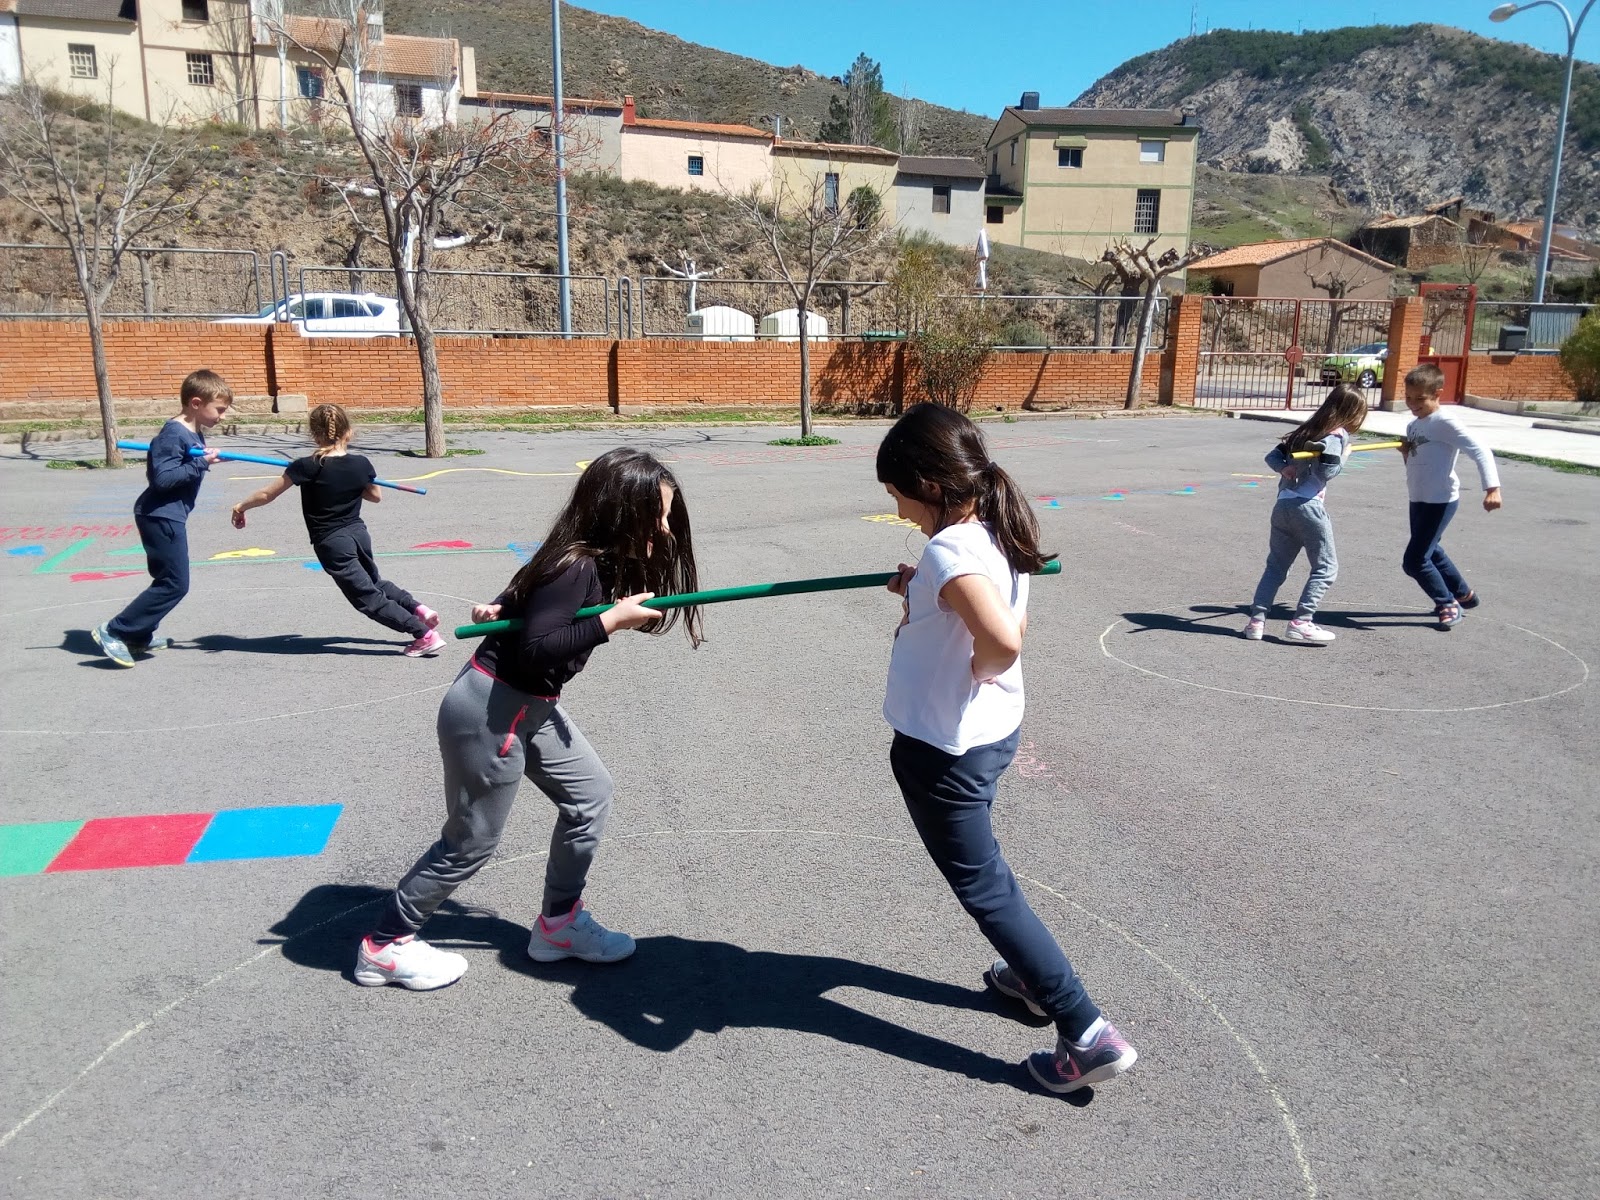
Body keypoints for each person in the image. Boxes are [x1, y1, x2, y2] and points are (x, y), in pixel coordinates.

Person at [354, 448, 703, 990]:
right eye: (653, 515)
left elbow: (526, 591)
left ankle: (558, 926)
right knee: (470, 841)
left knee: (589, 796)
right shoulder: (576, 564)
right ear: (617, 512)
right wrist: (610, 621)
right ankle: (383, 945)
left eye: (665, 514)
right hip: (492, 709)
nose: (663, 526)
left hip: (531, 706)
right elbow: (538, 648)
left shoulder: (585, 556)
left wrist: (501, 604)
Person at [877, 403, 1137, 1095]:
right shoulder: (992, 529)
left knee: (986, 888)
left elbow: (999, 639)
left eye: (897, 492)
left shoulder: (949, 550)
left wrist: (981, 659)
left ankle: (1085, 1030)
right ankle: (1029, 977)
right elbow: (971, 611)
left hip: (944, 750)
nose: (895, 507)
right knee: (987, 873)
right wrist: (923, 594)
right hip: (986, 736)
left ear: (930, 486)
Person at [229, 404, 444, 657]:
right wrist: (352, 482)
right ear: (348, 432)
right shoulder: (361, 463)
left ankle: (423, 634)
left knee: (366, 596)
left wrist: (240, 506)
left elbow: (267, 494)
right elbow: (375, 496)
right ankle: (418, 609)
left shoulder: (306, 466)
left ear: (314, 434)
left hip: (333, 542)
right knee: (375, 582)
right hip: (358, 534)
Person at [92, 370, 229, 667]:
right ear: (196, 403)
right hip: (160, 515)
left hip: (168, 515)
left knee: (166, 579)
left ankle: (138, 635)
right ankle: (116, 630)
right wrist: (201, 463)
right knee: (175, 583)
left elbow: (185, 462)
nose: (222, 416)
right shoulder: (173, 434)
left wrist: (205, 457)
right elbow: (163, 479)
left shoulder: (192, 432)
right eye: (219, 409)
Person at [1243, 386, 1368, 645]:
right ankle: (1302, 621)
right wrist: (1345, 455)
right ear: (1352, 413)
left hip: (1283, 507)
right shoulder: (1336, 435)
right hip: (1309, 507)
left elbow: (1272, 456)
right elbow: (1327, 472)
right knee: (1326, 568)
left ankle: (1256, 621)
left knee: (1276, 567)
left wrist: (1284, 468)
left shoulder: (1304, 432)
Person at [1399, 364, 1502, 630]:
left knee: (1414, 561)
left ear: (1437, 394)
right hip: (1418, 497)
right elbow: (1419, 463)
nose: (1413, 404)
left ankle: (1447, 603)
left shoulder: (1444, 422)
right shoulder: (1413, 425)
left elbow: (1480, 449)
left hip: (1440, 500)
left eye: (1420, 398)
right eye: (1408, 397)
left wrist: (1492, 488)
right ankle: (1464, 594)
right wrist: (1407, 454)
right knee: (1431, 551)